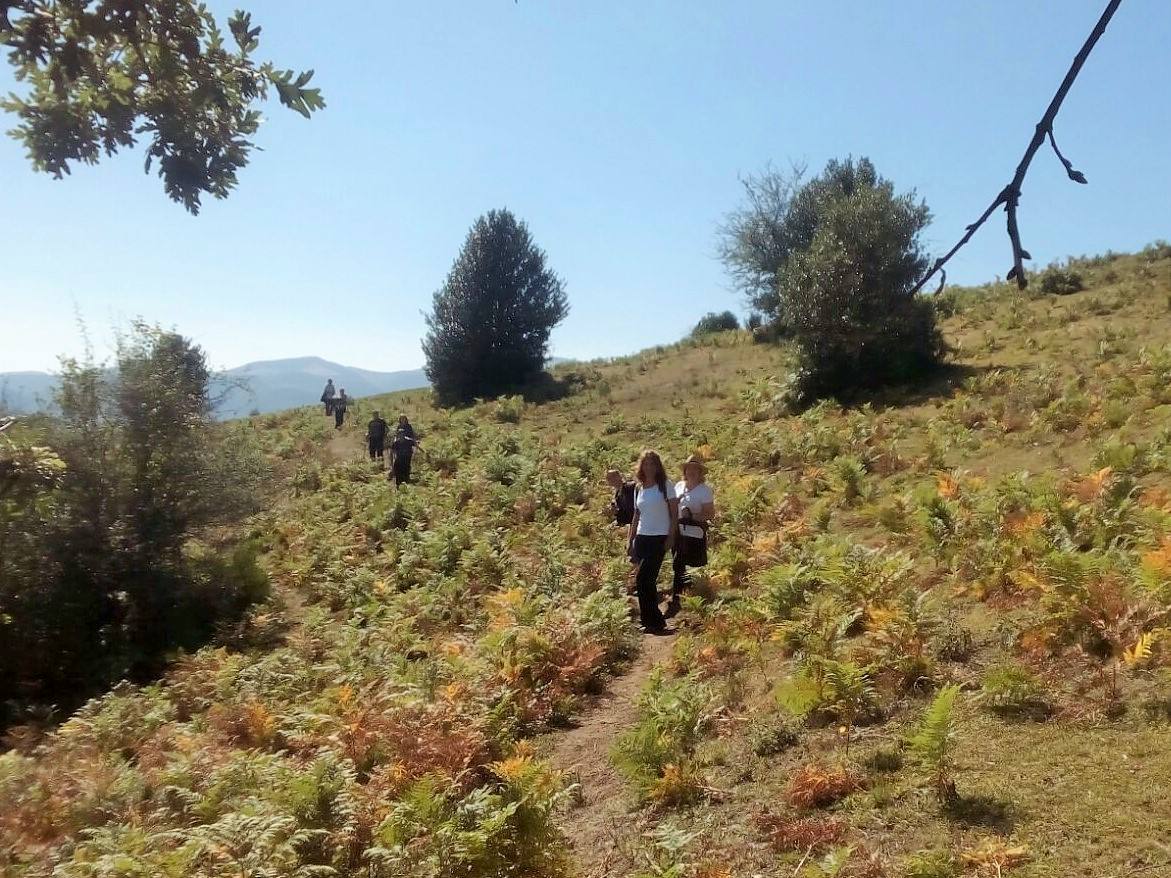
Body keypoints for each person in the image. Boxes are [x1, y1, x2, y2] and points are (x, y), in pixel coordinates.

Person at [627, 449, 678, 635]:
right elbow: (636, 515)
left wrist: (671, 536)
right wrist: (630, 540)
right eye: (646, 464)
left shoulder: (666, 485)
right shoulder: (639, 488)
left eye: (652, 464)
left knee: (645, 579)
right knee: (643, 583)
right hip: (642, 538)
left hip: (659, 538)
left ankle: (656, 620)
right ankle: (649, 621)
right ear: (641, 466)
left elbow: (674, 513)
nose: (649, 467)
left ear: (658, 466)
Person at [667, 454, 715, 618]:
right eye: (689, 469)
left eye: (695, 469)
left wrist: (692, 516)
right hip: (678, 531)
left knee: (694, 566)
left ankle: (695, 601)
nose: (692, 472)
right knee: (678, 564)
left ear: (700, 472)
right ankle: (676, 600)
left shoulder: (704, 490)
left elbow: (710, 514)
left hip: (695, 532)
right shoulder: (679, 486)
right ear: (685, 471)